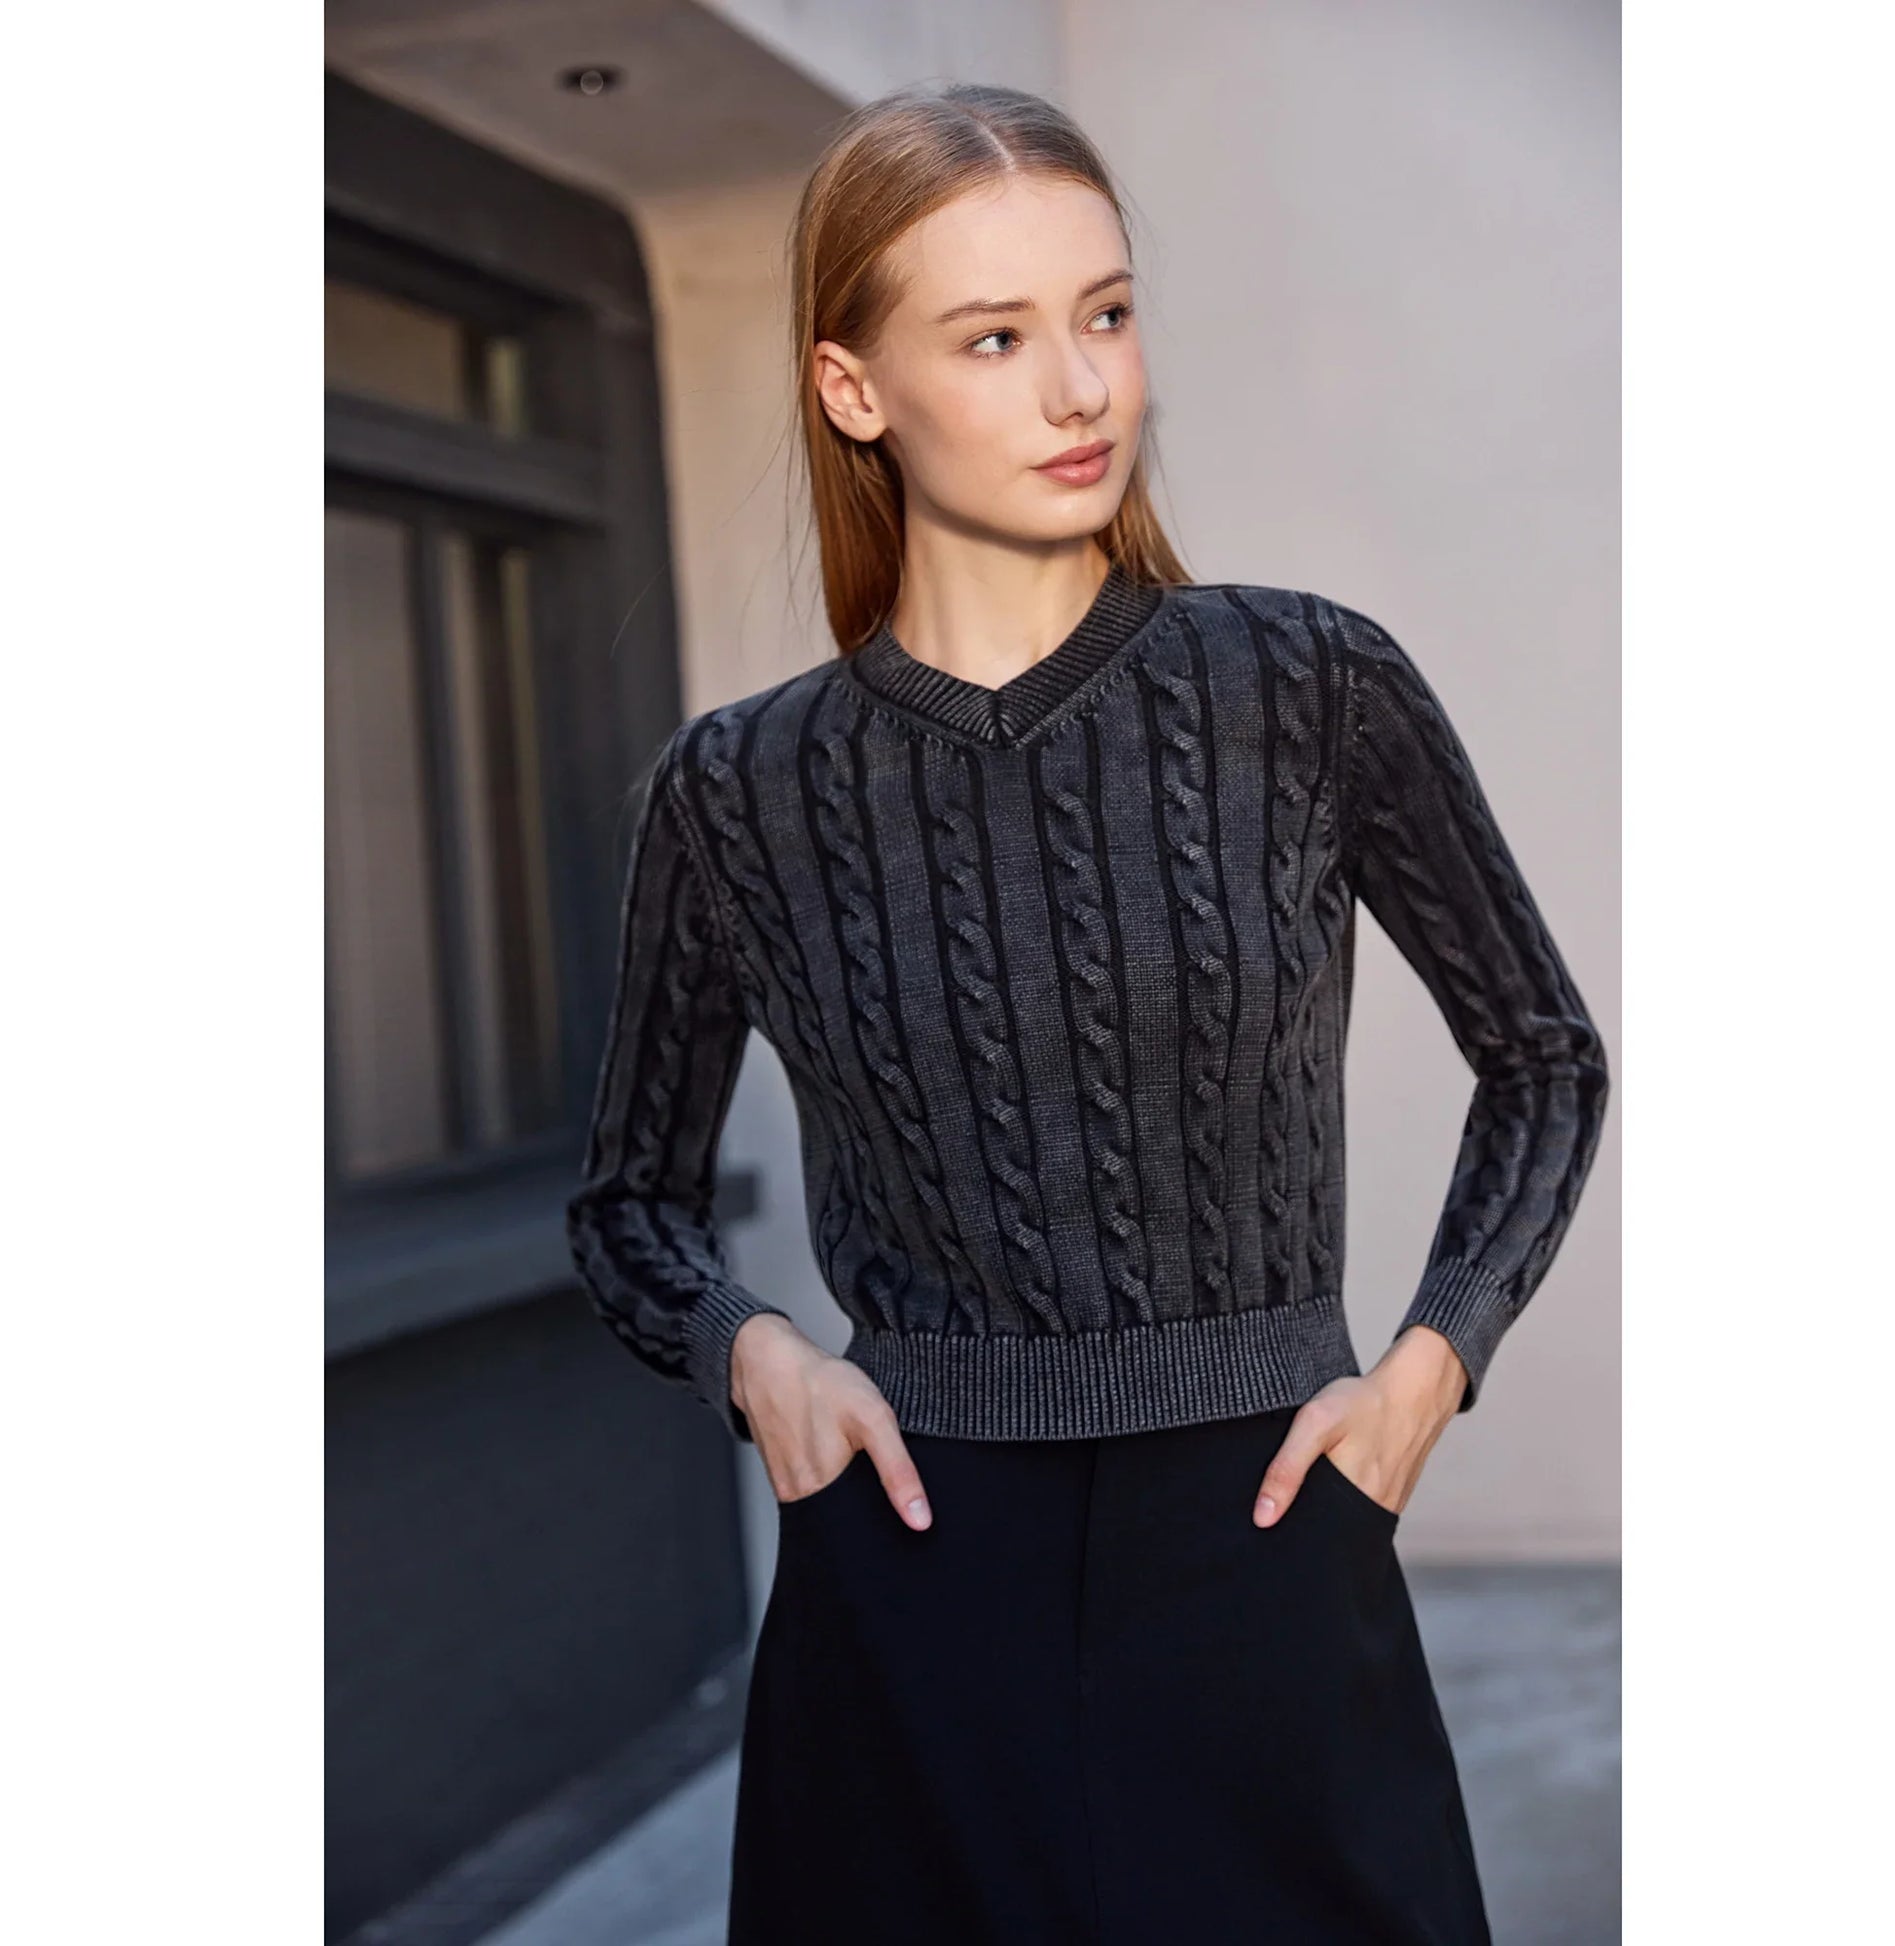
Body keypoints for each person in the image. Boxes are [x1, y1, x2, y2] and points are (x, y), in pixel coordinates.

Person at [565, 80, 1608, 1946]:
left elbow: (1541, 1058)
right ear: (852, 389)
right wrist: (758, 1355)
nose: (1080, 389)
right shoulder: (737, 790)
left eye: (1105, 313)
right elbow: (626, 1200)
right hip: (908, 1575)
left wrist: (1426, 1367)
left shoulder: (1309, 687)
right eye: (995, 337)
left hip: (1273, 1539)